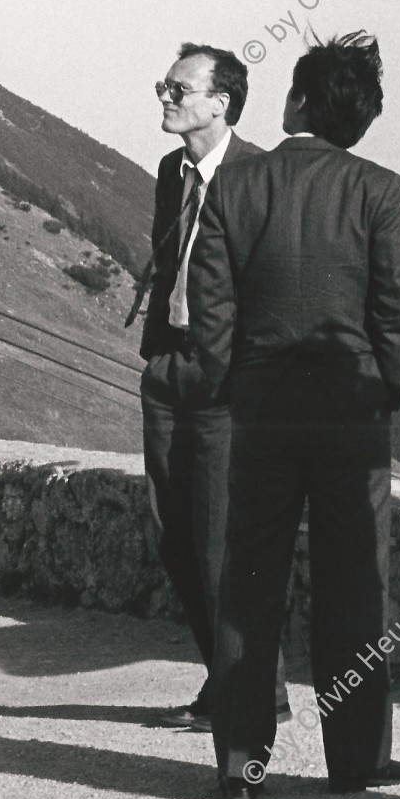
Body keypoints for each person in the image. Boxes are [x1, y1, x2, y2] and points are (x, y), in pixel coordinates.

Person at [187, 31, 400, 799]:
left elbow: (212, 313)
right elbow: (396, 310)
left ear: (294, 100)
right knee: (357, 583)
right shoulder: (377, 188)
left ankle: (241, 762)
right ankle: (356, 757)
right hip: (350, 412)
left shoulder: (236, 186)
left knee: (249, 582)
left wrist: (231, 389)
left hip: (260, 408)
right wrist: (386, 386)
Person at [130, 42, 289, 733]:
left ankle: (253, 688)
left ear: (220, 101)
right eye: (163, 86)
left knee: (220, 542)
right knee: (174, 536)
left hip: (226, 381)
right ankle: (229, 678)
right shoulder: (172, 171)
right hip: (169, 369)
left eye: (178, 88)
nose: (166, 97)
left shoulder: (259, 175)